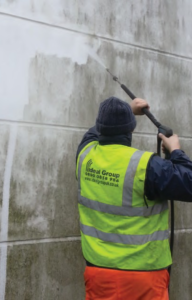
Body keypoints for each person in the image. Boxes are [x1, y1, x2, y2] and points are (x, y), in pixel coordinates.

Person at [76, 96, 192, 300]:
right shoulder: (146, 166)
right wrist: (176, 150)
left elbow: (92, 133)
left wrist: (126, 111)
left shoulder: (84, 156)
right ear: (131, 130)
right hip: (143, 278)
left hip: (98, 275)